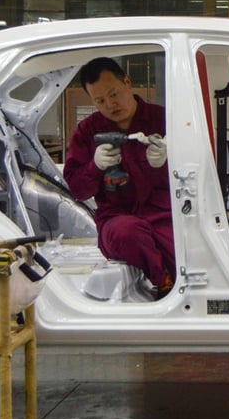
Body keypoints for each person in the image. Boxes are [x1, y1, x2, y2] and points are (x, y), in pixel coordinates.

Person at [63, 57, 175, 299]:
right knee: (127, 233)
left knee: (186, 253)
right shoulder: (87, 132)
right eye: (100, 101)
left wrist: (170, 160)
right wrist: (95, 166)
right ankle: (163, 283)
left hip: (165, 216)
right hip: (117, 219)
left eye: (113, 94)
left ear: (127, 82)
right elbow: (78, 190)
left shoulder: (165, 120)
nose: (110, 104)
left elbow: (199, 172)